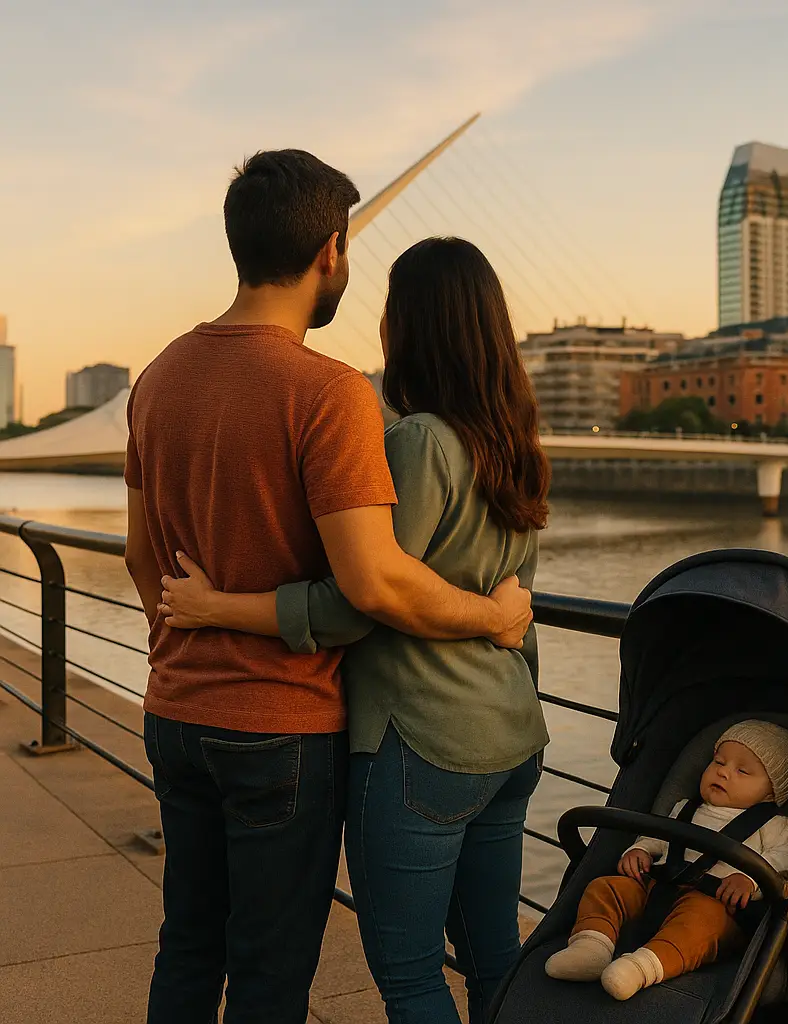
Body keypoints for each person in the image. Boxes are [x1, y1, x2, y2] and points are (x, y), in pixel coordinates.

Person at [124, 157, 533, 1024]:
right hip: (281, 727)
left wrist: (196, 629)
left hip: (173, 710)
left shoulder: (154, 379)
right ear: (330, 252)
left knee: (188, 945)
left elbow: (137, 558)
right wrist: (497, 616)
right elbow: (377, 581)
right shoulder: (331, 393)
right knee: (271, 975)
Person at [544, 720, 788, 1001]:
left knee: (699, 925)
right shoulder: (685, 808)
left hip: (718, 906)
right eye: (718, 762)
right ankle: (590, 948)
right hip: (658, 885)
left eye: (742, 771)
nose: (723, 773)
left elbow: (782, 862)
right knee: (606, 888)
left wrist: (749, 880)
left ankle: (642, 968)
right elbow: (657, 837)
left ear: (771, 791)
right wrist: (639, 851)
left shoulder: (775, 824)